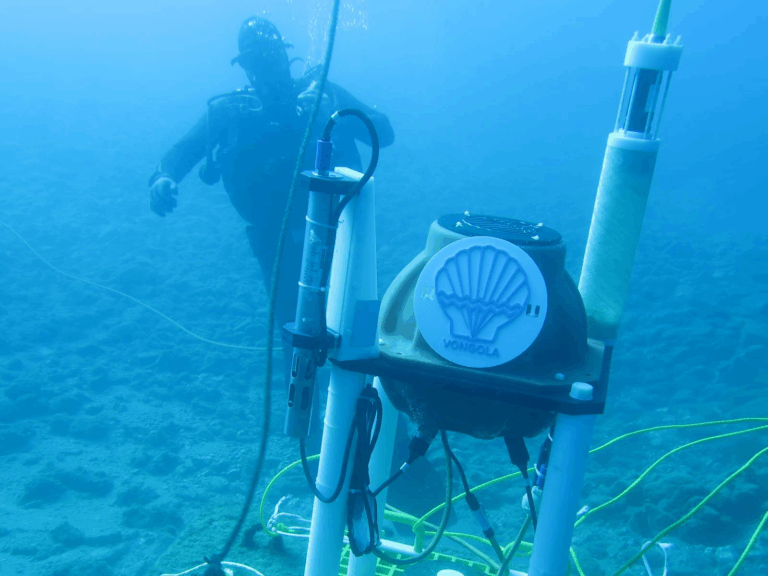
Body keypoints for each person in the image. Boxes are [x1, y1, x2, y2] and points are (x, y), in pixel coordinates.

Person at [148, 16, 394, 378]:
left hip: (339, 225)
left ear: (285, 56)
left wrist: (335, 115)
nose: (267, 70)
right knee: (291, 323)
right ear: (245, 68)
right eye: (256, 62)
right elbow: (182, 152)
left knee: (356, 316)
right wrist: (162, 178)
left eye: (272, 58)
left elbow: (383, 131)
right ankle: (301, 424)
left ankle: (378, 418)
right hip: (273, 237)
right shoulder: (231, 112)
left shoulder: (322, 94)